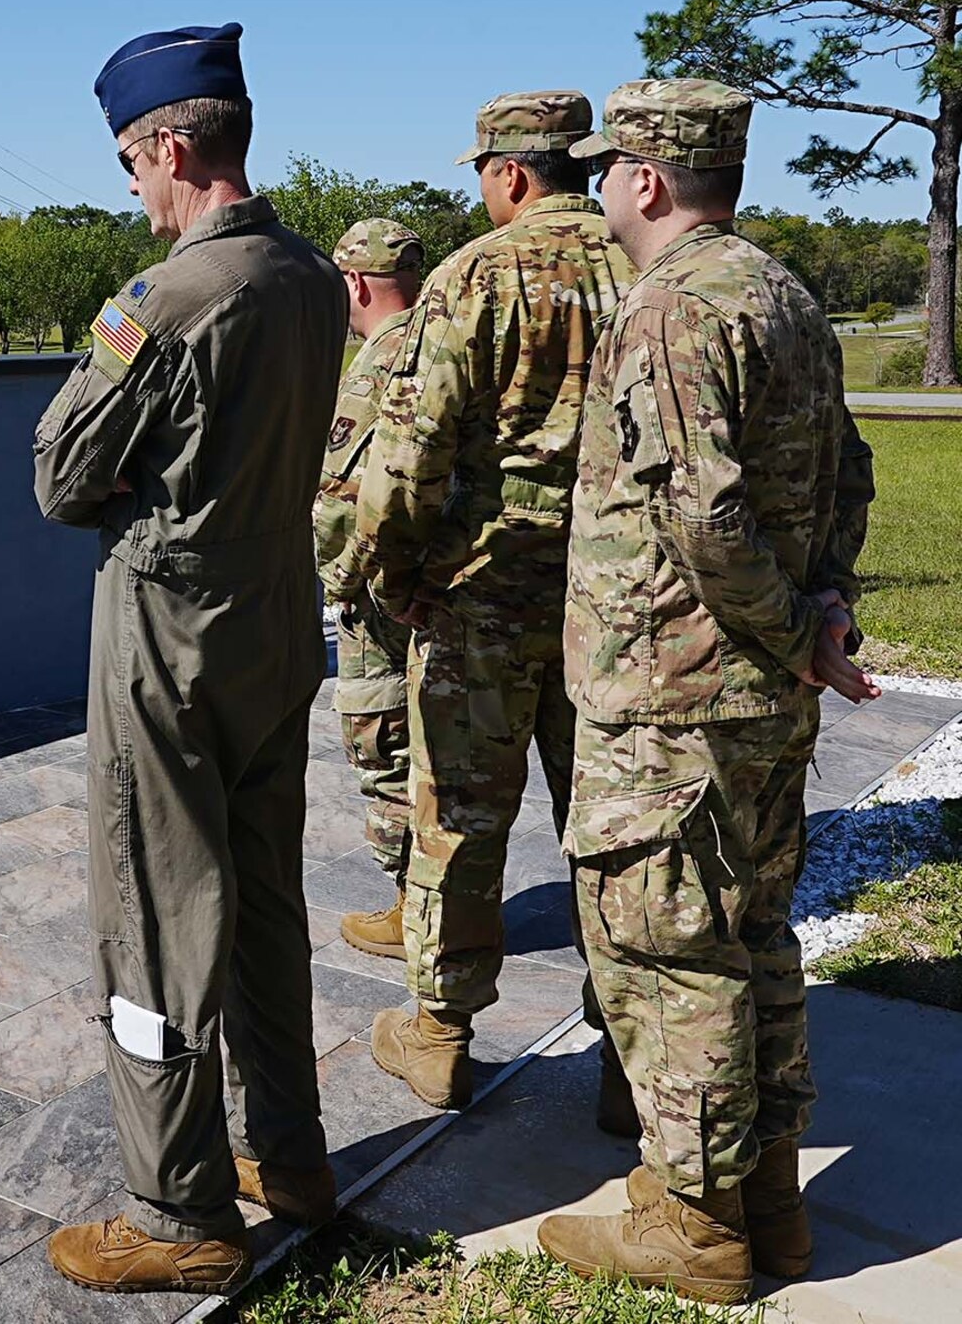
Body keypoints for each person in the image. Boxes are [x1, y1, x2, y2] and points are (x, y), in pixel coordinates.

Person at [537, 78, 878, 1305]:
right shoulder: (781, 293)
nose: (599, 191)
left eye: (607, 170)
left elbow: (701, 509)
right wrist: (823, 610)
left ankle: (694, 1222)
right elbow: (845, 469)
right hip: (753, 702)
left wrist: (796, 628)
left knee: (665, 952)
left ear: (642, 179)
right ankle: (764, 1200)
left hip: (671, 700)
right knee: (746, 940)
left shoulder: (671, 308)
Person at [30, 21, 347, 1296]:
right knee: (264, 899)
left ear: (170, 145)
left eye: (129, 164)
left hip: (169, 641)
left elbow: (58, 477)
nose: (131, 191)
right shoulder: (312, 274)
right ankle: (293, 1151)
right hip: (277, 618)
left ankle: (178, 1210)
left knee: (154, 915)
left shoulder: (168, 299)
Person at [339, 91, 635, 1113]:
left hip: (482, 605)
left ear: (508, 174)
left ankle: (438, 1033)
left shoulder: (474, 274)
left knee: (457, 823)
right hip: (617, 612)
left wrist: (395, 578)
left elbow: (404, 458)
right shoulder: (647, 261)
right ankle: (627, 1061)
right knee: (609, 833)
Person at [315, 218, 425, 959]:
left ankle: (414, 906)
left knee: (381, 738)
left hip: (384, 594)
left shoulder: (379, 359)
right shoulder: (446, 340)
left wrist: (333, 576)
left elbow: (339, 493)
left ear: (354, 282)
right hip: (441, 581)